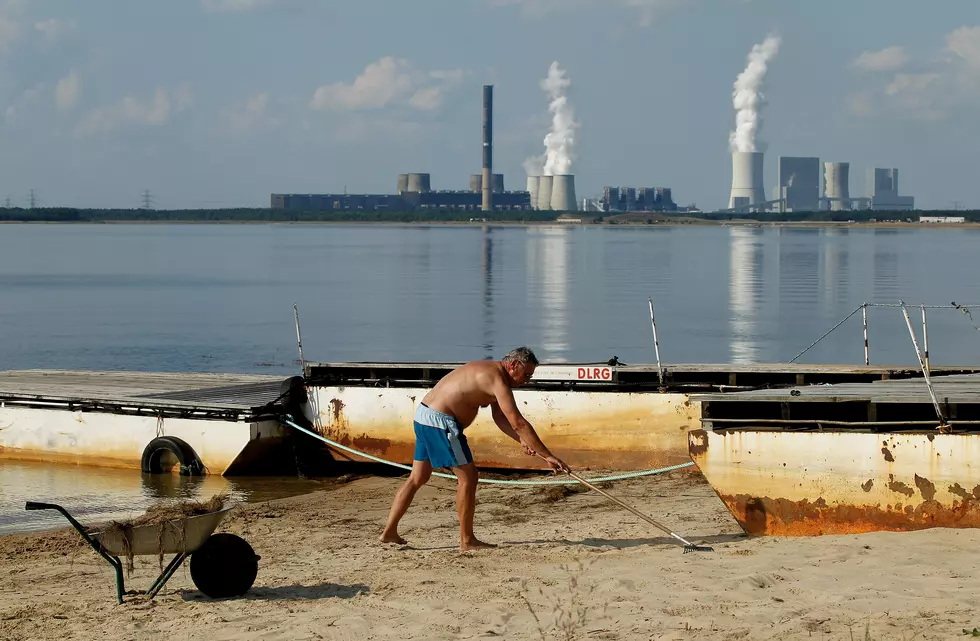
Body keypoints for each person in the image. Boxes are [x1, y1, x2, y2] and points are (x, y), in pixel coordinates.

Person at [379, 347, 571, 551]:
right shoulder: (496, 379)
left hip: (424, 416)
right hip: (441, 422)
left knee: (418, 477)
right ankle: (467, 540)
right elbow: (519, 423)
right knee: (468, 477)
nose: (528, 380)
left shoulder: (496, 375)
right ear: (514, 365)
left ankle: (389, 532)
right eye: (527, 375)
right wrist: (548, 455)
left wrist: (521, 440)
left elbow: (501, 418)